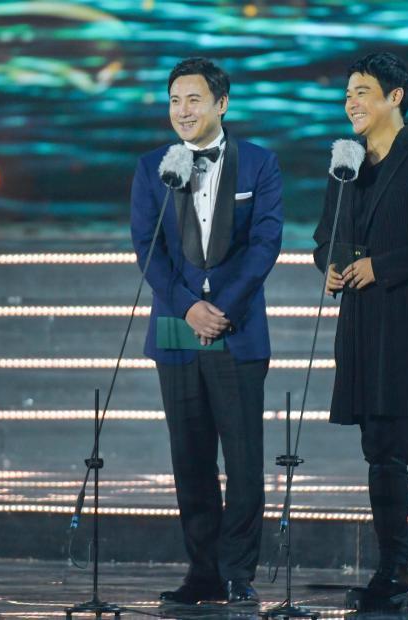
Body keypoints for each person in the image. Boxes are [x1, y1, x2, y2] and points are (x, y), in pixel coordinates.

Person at [313, 51, 408, 612]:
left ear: (394, 97)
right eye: (347, 94)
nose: (350, 103)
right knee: (379, 451)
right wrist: (330, 266)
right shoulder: (347, 164)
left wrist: (381, 266)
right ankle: (394, 564)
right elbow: (325, 237)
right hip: (362, 327)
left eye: (361, 92)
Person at [130, 57, 283, 607]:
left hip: (236, 327)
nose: (182, 111)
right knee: (190, 458)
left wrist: (221, 309)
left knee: (242, 459)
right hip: (176, 326)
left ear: (221, 103)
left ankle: (238, 572)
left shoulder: (260, 163)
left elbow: (265, 244)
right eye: (175, 100)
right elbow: (147, 249)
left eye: (193, 99)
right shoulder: (153, 166)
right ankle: (203, 572)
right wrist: (188, 307)